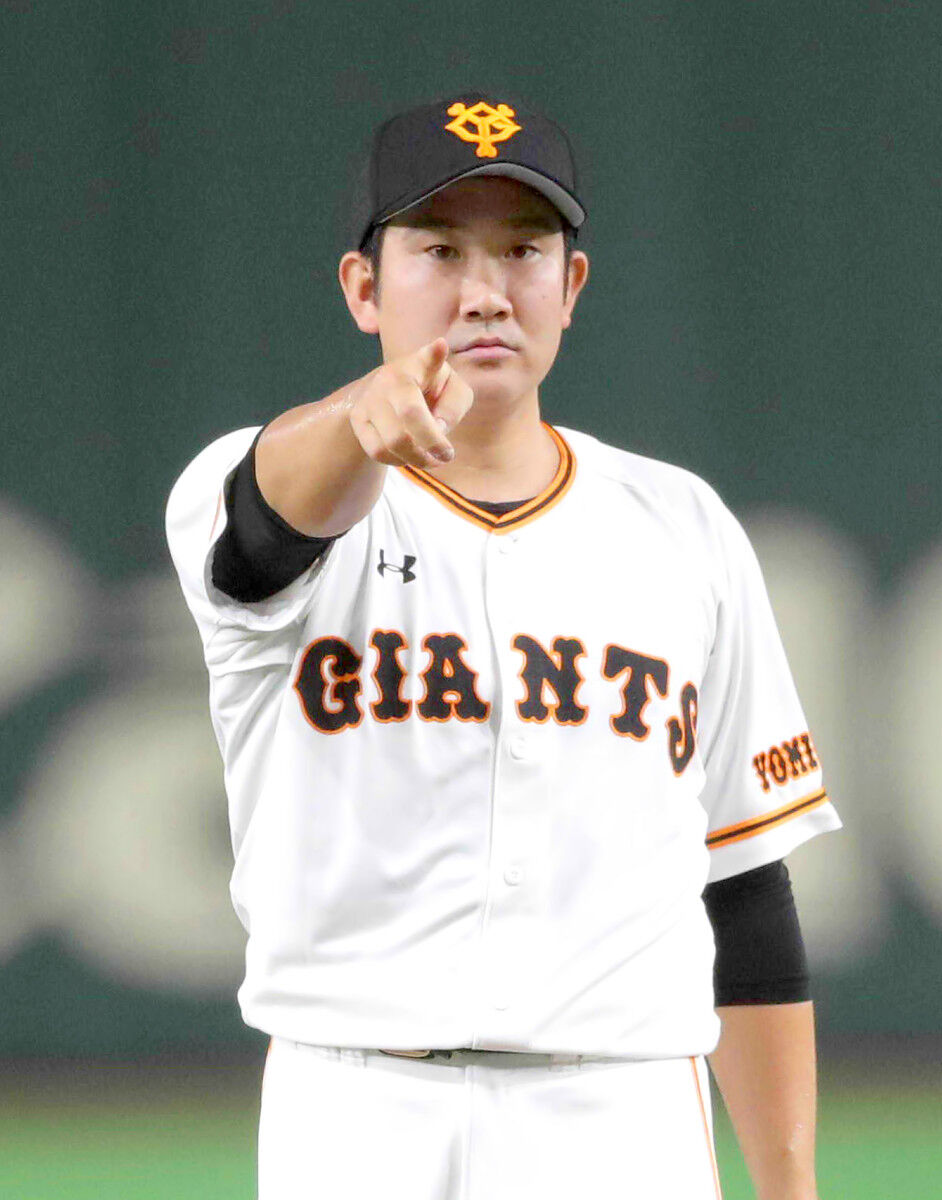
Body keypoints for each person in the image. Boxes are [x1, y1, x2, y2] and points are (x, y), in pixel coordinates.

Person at [166, 95, 841, 1200]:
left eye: (523, 251)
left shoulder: (681, 525)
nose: (485, 292)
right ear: (363, 289)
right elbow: (262, 527)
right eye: (439, 250)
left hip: (619, 1113)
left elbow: (743, 884)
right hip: (355, 1109)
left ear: (570, 288)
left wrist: (788, 1184)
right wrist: (354, 419)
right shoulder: (260, 487)